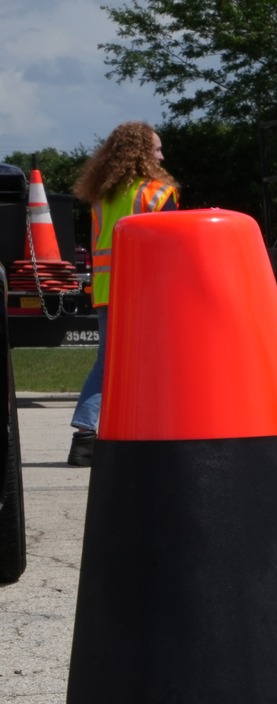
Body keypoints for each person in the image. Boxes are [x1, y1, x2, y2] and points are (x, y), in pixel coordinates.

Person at [68, 122, 178, 467]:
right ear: (142, 154)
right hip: (145, 290)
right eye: (157, 149)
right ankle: (150, 431)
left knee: (110, 362)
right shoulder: (158, 192)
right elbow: (170, 246)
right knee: (157, 362)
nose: (162, 155)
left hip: (107, 291)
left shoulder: (103, 194)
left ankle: (87, 438)